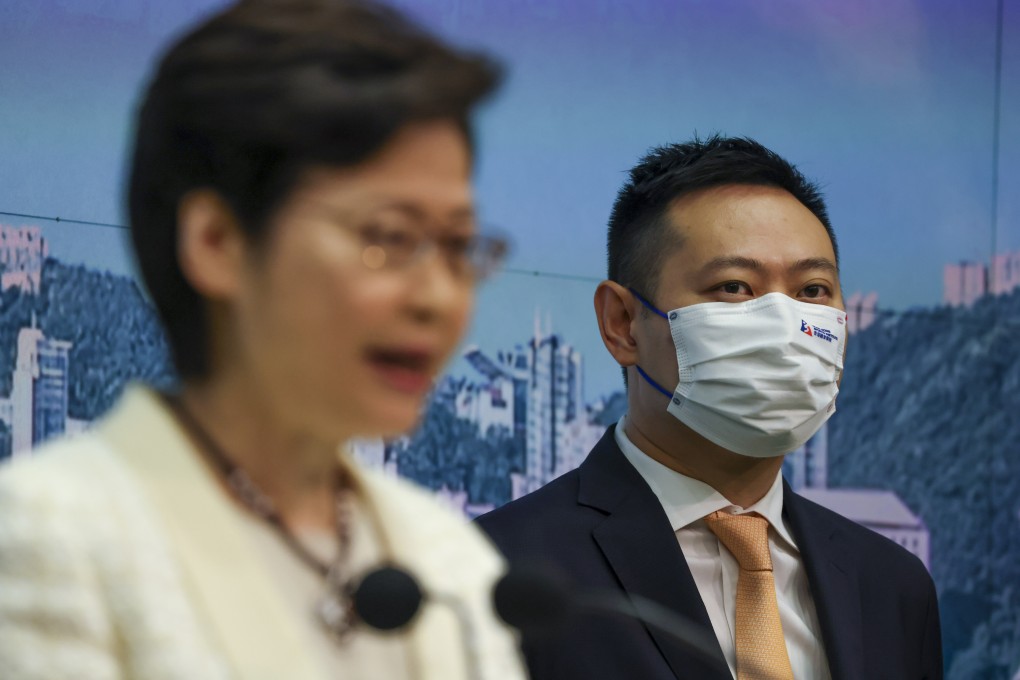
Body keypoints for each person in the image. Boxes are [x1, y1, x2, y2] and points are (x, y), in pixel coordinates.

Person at [0, 1, 527, 679]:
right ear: (218, 243)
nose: (440, 297)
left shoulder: (447, 554)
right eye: (390, 238)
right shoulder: (49, 537)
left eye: (458, 246)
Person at [478, 136, 942, 679]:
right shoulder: (495, 572)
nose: (784, 325)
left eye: (813, 290)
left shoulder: (891, 587)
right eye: (734, 286)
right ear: (623, 324)